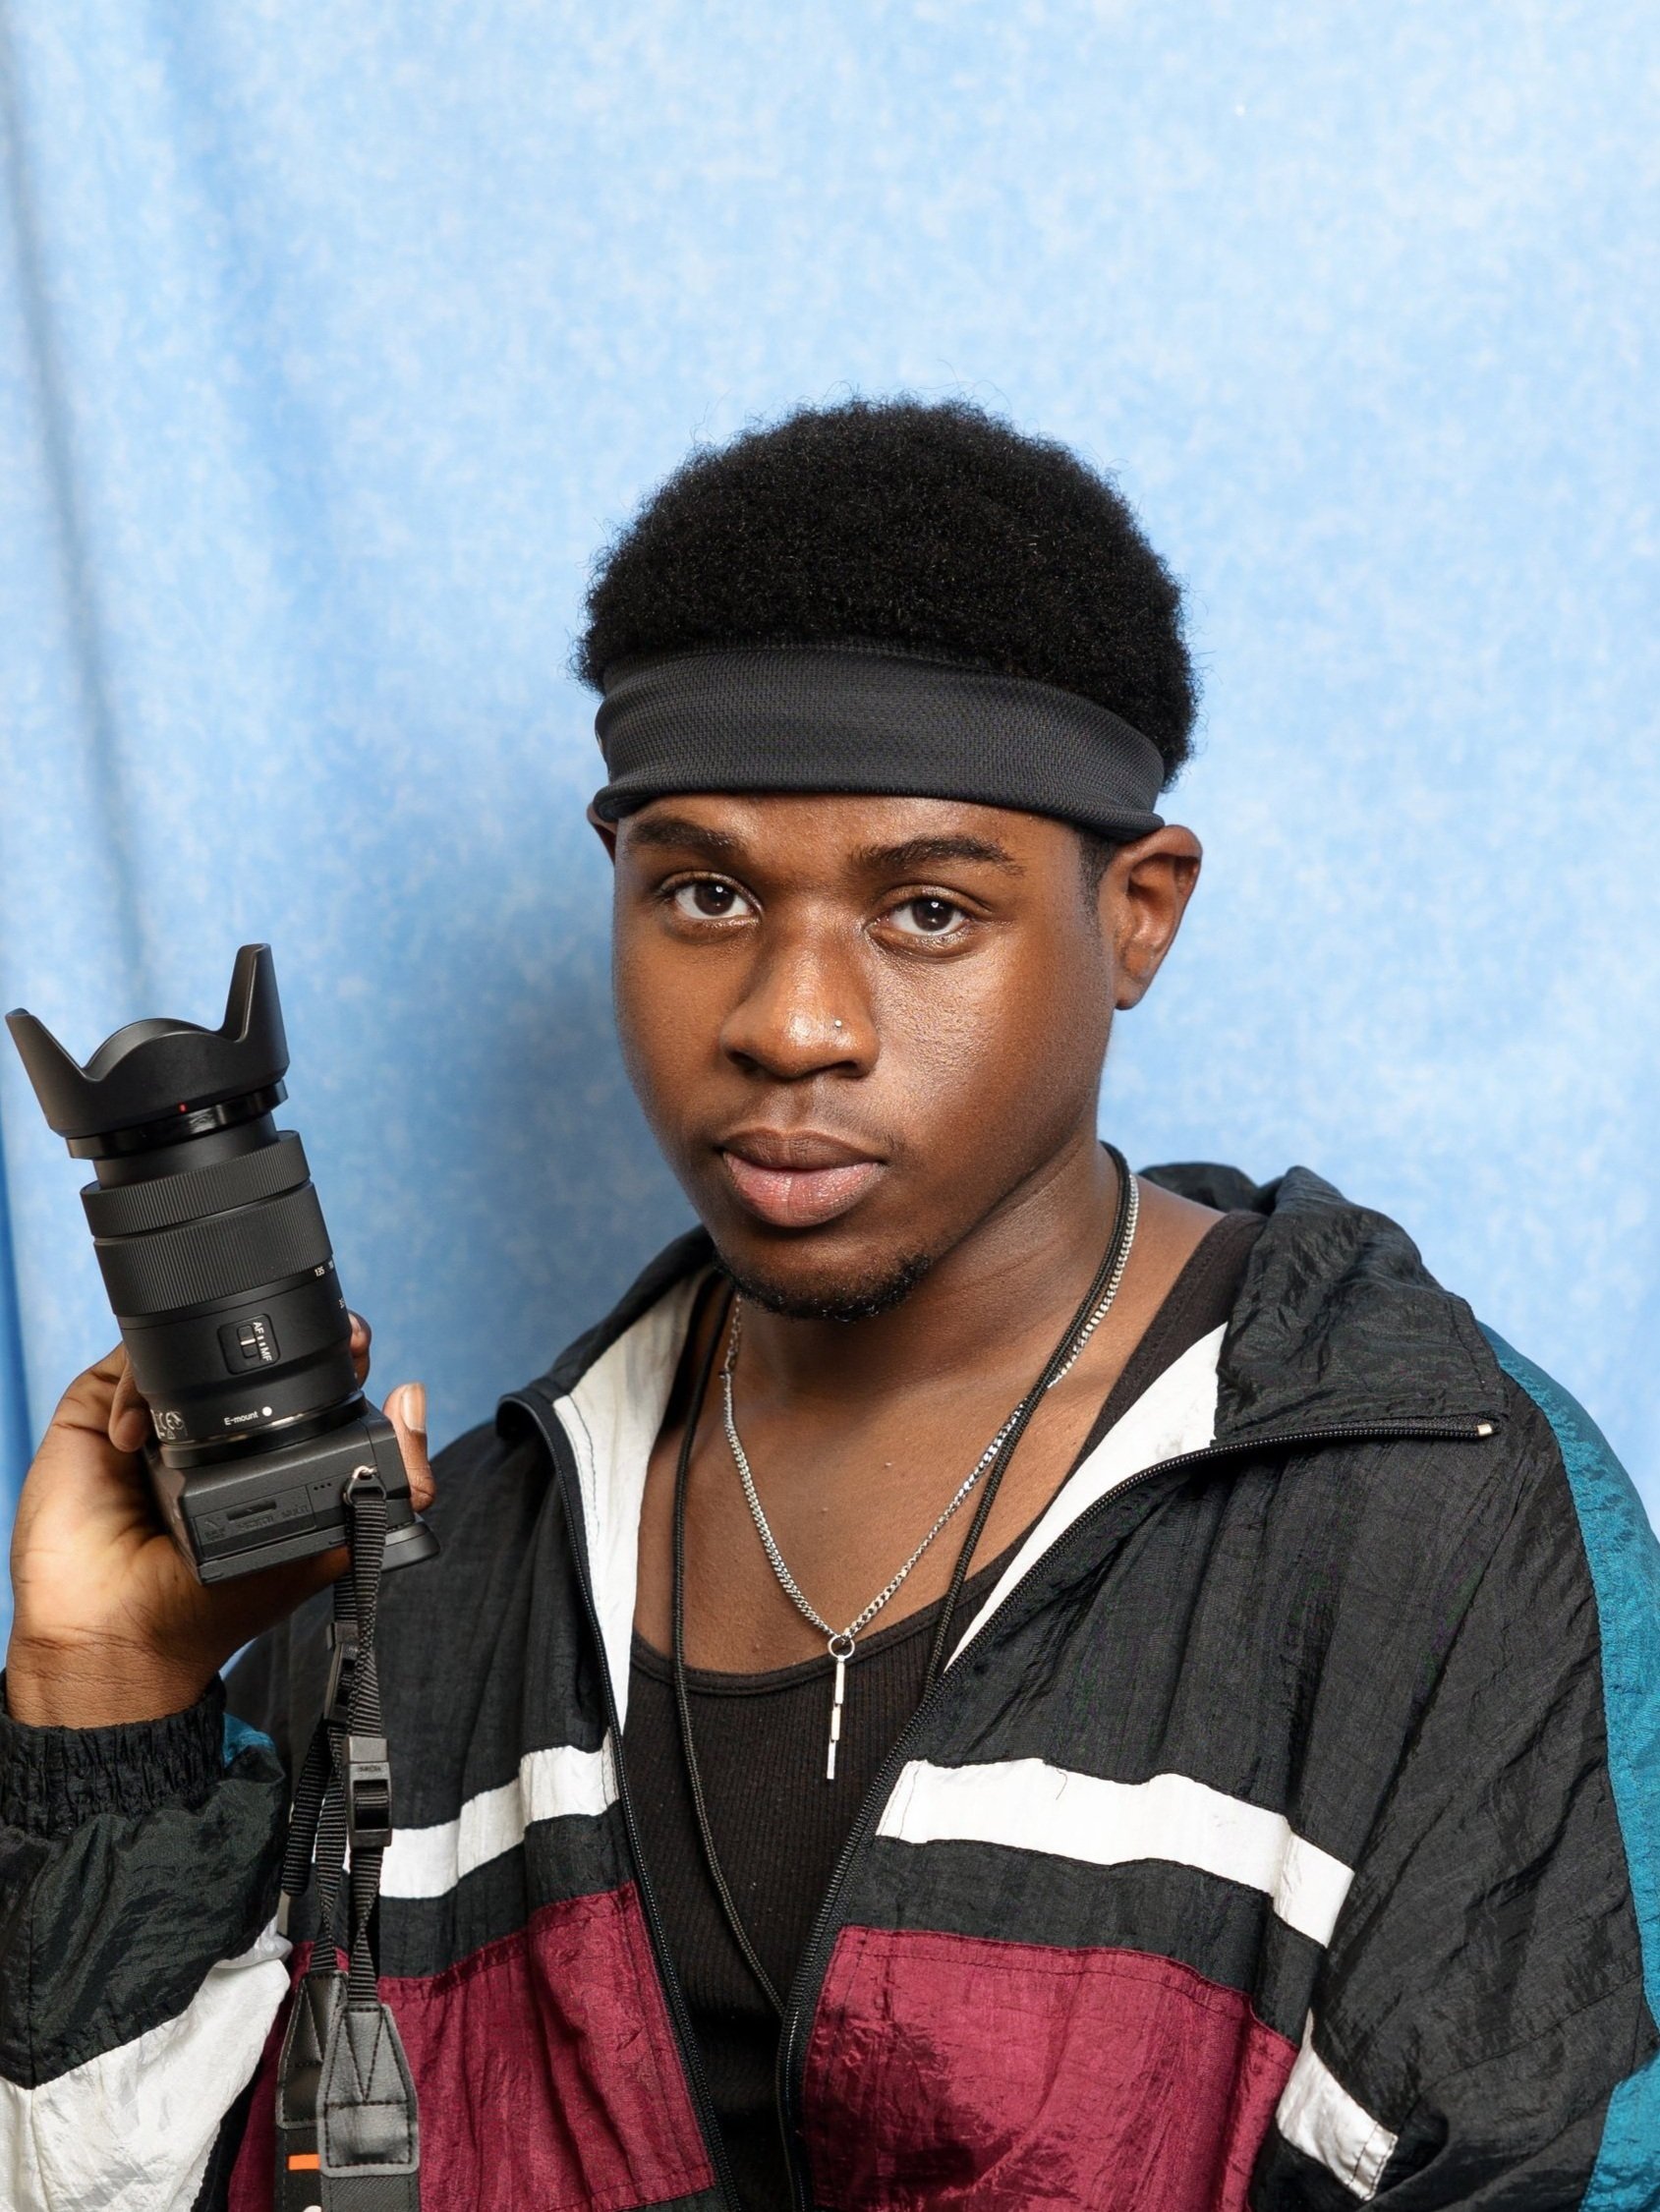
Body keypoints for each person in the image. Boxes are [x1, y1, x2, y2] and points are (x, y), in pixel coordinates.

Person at [2, 397, 1655, 2212]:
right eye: (705, 892)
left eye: (927, 911)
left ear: (1137, 915)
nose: (790, 1023)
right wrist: (112, 1695)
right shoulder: (442, 1575)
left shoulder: (1427, 1499)